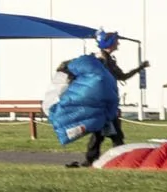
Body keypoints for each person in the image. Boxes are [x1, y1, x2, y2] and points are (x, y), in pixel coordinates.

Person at [60, 31, 142, 167]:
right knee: (109, 133)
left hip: (106, 102)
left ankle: (95, 159)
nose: (119, 44)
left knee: (105, 133)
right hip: (100, 102)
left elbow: (122, 76)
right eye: (116, 41)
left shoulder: (108, 60)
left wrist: (140, 68)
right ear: (110, 43)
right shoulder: (98, 59)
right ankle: (116, 159)